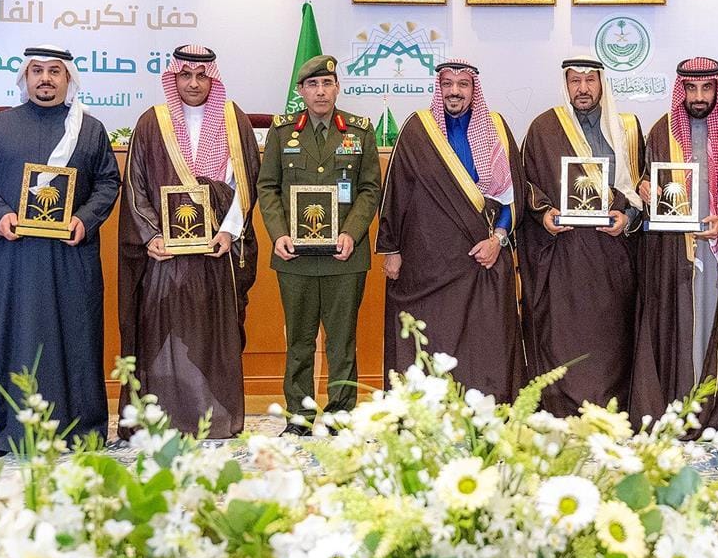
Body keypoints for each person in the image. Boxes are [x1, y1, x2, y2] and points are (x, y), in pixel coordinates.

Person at [0, 45, 121, 451]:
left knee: (75, 337)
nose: (45, 79)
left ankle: (80, 430)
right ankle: (5, 430)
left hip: (71, 256)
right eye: (36, 71)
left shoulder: (90, 130)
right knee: (11, 335)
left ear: (68, 79)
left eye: (54, 71)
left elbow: (108, 182)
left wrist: (85, 219)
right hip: (13, 257)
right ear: (25, 77)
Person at [118, 45, 261, 438]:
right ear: (174, 77)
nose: (193, 83)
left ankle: (213, 419)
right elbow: (135, 185)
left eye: (201, 76)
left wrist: (228, 231)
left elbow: (246, 184)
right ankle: (159, 419)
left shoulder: (234, 120)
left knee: (213, 335)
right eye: (185, 75)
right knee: (161, 331)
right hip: (166, 255)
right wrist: (151, 235)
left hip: (216, 252)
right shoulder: (152, 122)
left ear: (212, 79)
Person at [376, 59, 522, 399]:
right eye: (447, 84)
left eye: (463, 85)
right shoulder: (418, 128)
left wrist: (498, 240)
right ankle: (426, 412)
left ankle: (484, 411)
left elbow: (513, 196)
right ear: (438, 88)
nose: (454, 91)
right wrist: (392, 249)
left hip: (482, 259)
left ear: (474, 89)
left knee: (485, 343)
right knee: (429, 340)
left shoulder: (496, 127)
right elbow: (396, 192)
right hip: (427, 264)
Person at [630, 57, 718, 432]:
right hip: (676, 255)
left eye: (706, 88)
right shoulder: (662, 130)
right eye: (691, 88)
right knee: (682, 327)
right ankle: (678, 410)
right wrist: (644, 187)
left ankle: (715, 414)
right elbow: (648, 180)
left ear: (717, 89)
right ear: (681, 90)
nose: (699, 96)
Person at [257, 54, 381, 430]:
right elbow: (268, 187)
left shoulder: (359, 131)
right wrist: (279, 234)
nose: (321, 91)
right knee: (299, 341)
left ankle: (341, 414)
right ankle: (300, 414)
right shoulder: (282, 132)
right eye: (312, 85)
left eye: (327, 83)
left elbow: (369, 189)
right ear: (301, 91)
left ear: (337, 87)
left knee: (342, 341)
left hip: (345, 255)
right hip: (294, 256)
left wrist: (352, 232)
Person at [518, 57, 644, 415]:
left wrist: (628, 217)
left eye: (590, 80)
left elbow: (643, 187)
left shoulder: (628, 128)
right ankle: (561, 411)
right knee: (564, 335)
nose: (583, 89)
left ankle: (609, 411)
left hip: (613, 256)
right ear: (566, 84)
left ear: (602, 83)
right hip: (565, 255)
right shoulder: (544, 128)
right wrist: (544, 214)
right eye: (575, 81)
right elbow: (525, 183)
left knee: (611, 338)